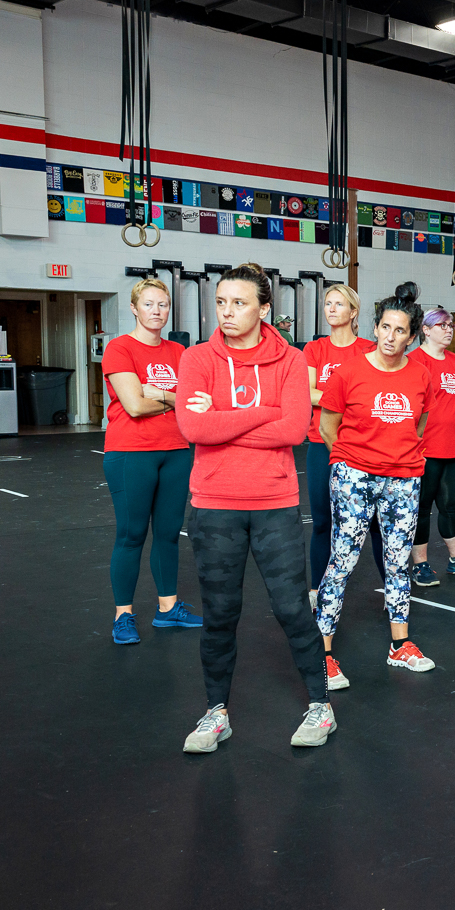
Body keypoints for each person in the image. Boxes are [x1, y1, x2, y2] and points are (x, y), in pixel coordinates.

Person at [174, 263, 334, 753]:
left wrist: (222, 418)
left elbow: (293, 430)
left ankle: (321, 705)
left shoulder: (291, 361)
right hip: (214, 504)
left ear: (264, 309)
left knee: (292, 609)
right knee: (220, 614)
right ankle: (215, 712)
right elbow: (193, 429)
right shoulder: (197, 359)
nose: (226, 312)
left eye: (239, 303)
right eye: (220, 302)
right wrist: (265, 415)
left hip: (274, 504)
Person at [315, 282, 436, 687]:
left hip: (404, 479)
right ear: (375, 327)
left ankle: (400, 646)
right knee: (342, 562)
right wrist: (352, 462)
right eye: (385, 327)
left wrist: (397, 458)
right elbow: (327, 427)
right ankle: (322, 653)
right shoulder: (349, 371)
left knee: (399, 563)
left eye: (400, 330)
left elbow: (418, 424)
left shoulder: (420, 375)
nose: (390, 336)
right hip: (354, 476)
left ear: (411, 337)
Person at [102, 277, 201, 644]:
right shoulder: (120, 348)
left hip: (176, 451)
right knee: (131, 535)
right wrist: (173, 397)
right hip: (131, 452)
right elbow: (133, 405)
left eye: (163, 305)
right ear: (134, 308)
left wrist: (158, 393)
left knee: (168, 533)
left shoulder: (180, 352)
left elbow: (192, 401)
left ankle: (168, 608)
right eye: (148, 304)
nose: (156, 311)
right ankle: (123, 615)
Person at [302, 283, 383, 609]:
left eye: (339, 304)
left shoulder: (368, 349)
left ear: (353, 312)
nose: (332, 309)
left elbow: (375, 392)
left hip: (362, 445)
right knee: (323, 522)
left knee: (375, 523)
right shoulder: (315, 349)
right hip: (321, 443)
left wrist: (334, 399)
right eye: (328, 303)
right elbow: (306, 392)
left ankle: (393, 590)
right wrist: (347, 398)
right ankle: (317, 591)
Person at [409, 307, 455, 586]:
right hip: (424, 450)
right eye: (442, 325)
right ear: (426, 330)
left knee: (451, 507)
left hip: (453, 448)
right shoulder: (414, 362)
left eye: (451, 325)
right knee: (422, 509)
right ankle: (420, 565)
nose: (449, 329)